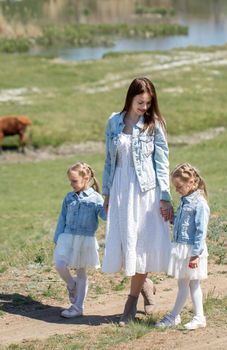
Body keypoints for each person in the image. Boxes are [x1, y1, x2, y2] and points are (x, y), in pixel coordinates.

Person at [101, 77, 173, 325]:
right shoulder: (113, 122)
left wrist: (165, 198)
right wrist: (107, 193)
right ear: (130, 98)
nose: (144, 107)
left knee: (139, 246)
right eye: (140, 102)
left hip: (145, 192)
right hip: (121, 189)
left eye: (148, 103)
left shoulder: (154, 125)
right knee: (124, 244)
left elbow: (162, 164)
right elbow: (109, 161)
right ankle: (145, 285)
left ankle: (129, 305)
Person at [156, 163, 210, 330]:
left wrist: (195, 255)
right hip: (182, 249)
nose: (177, 190)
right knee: (186, 284)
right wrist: (172, 218)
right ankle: (184, 316)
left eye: (179, 186)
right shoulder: (185, 201)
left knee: (192, 284)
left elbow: (201, 231)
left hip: (192, 250)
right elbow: (183, 224)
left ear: (191, 182)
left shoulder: (199, 204)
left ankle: (186, 317)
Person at [53, 162, 106, 318]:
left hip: (85, 238)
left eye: (74, 181)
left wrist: (111, 205)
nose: (72, 184)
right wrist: (57, 236)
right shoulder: (69, 197)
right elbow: (62, 217)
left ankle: (78, 307)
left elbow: (104, 216)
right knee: (60, 264)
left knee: (81, 272)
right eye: (70, 181)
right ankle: (71, 284)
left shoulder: (96, 198)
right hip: (66, 236)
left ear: (86, 178)